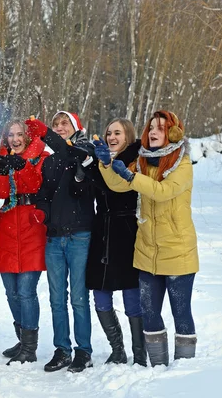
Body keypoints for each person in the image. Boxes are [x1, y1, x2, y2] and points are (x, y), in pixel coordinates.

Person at [97, 110, 199, 367]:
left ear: (172, 133)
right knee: (150, 314)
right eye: (151, 127)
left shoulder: (182, 164)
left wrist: (132, 176)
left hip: (177, 251)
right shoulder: (142, 161)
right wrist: (106, 165)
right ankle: (157, 367)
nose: (153, 132)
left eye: (161, 128)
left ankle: (185, 370)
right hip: (146, 252)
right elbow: (117, 185)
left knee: (181, 313)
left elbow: (163, 192)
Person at [25, 111, 97, 373]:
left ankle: (84, 350)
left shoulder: (85, 150)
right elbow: (44, 193)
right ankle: (62, 349)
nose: (59, 127)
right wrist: (42, 211)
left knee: (78, 298)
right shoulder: (50, 161)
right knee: (57, 299)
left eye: (64, 123)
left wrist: (45, 133)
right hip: (54, 237)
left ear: (76, 127)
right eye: (55, 124)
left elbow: (71, 154)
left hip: (80, 235)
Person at [81, 118, 146, 366]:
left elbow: (119, 187)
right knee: (100, 294)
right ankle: (117, 349)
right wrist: (87, 163)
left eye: (117, 133)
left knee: (131, 295)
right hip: (103, 230)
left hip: (126, 230)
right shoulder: (102, 159)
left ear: (128, 135)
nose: (111, 137)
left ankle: (139, 354)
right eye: (109, 133)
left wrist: (101, 165)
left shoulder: (135, 159)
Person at [0, 119, 49, 365]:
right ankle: (22, 338)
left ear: (26, 136)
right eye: (10, 135)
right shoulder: (3, 156)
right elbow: (0, 193)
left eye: (18, 135)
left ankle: (30, 347)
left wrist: (22, 166)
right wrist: (2, 172)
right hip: (7, 225)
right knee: (11, 291)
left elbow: (37, 185)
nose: (14, 139)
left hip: (31, 225)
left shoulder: (42, 156)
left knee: (26, 291)